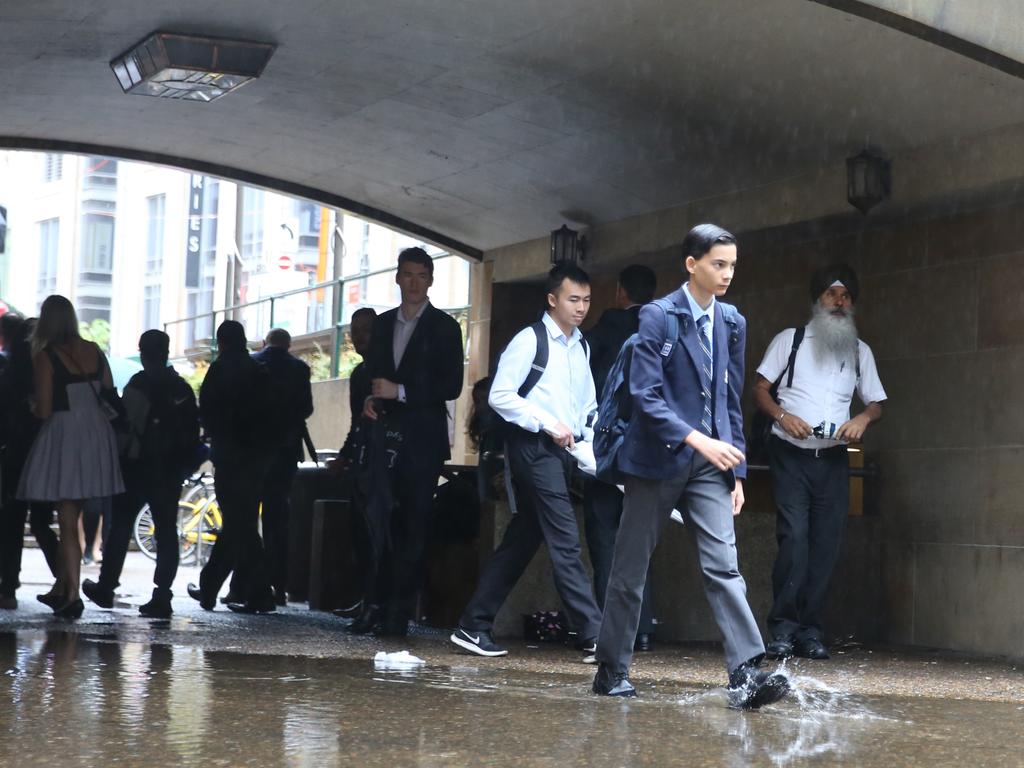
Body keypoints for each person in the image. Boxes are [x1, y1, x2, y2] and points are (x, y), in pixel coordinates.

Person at [592, 225, 788, 710]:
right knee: (630, 569)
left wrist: (736, 471)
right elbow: (645, 395)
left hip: (709, 465)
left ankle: (745, 675)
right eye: (718, 264)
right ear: (691, 264)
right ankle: (611, 670)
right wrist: (698, 439)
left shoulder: (733, 322)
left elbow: (730, 398)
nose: (727, 274)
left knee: (725, 566)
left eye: (732, 266)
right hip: (655, 460)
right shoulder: (658, 316)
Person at [450, 262, 602, 659]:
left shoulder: (580, 344)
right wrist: (547, 422)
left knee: (522, 540)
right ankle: (594, 634)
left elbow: (587, 403)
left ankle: (472, 625)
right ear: (552, 300)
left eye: (586, 300)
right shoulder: (529, 340)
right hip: (533, 449)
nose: (581, 307)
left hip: (565, 452)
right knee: (565, 539)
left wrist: (588, 431)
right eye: (573, 299)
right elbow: (501, 395)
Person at [753, 263, 887, 661]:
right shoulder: (790, 341)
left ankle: (810, 631)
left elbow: (876, 403)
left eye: (845, 295)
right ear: (817, 300)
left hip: (832, 459)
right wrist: (782, 416)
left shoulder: (860, 351)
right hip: (790, 454)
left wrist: (862, 419)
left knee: (825, 545)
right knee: (794, 538)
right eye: (832, 293)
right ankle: (783, 628)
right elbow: (760, 389)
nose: (839, 301)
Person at [350, 247, 464, 636]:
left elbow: (452, 385)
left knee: (413, 524)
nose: (413, 283)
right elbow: (375, 377)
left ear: (431, 280)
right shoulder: (381, 325)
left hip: (423, 441)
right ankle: (374, 604)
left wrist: (401, 391)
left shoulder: (446, 328)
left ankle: (398, 612)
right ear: (397, 278)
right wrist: (371, 397)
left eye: (421, 275)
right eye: (407, 275)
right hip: (385, 438)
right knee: (379, 522)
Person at [16, 295, 124, 618]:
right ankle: (63, 587)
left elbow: (46, 408)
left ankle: (71, 594)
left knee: (65, 517)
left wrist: (32, 406)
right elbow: (107, 387)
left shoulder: (46, 356)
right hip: (96, 434)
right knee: (74, 514)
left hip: (65, 434)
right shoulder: (94, 349)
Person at [83, 330, 200, 618]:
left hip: (137, 466)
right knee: (167, 531)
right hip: (170, 470)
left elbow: (126, 426)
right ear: (166, 351)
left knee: (121, 526)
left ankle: (106, 587)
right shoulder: (182, 388)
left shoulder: (140, 384)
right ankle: (162, 595)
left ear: (143, 352)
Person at [583, 264, 657, 651]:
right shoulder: (663, 328)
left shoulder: (610, 324)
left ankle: (609, 629)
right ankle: (644, 628)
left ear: (620, 292)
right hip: (650, 450)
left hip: (612, 445)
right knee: (641, 537)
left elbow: (583, 361)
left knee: (604, 534)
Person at [188, 321, 274, 614]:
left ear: (221, 342)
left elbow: (208, 412)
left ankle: (252, 591)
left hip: (230, 456)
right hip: (257, 458)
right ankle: (223, 588)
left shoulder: (220, 370)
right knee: (243, 523)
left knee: (239, 525)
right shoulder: (258, 370)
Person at [251, 327, 314, 605]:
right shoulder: (299, 369)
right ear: (289, 346)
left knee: (246, 518)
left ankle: (248, 584)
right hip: (286, 451)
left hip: (254, 451)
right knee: (278, 520)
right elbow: (306, 409)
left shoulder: (253, 363)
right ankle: (278, 585)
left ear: (266, 343)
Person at [0, 316, 59, 609]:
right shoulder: (49, 369)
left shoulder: (11, 375)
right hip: (45, 454)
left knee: (11, 521)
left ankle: (8, 586)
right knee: (41, 523)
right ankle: (65, 583)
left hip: (17, 454)